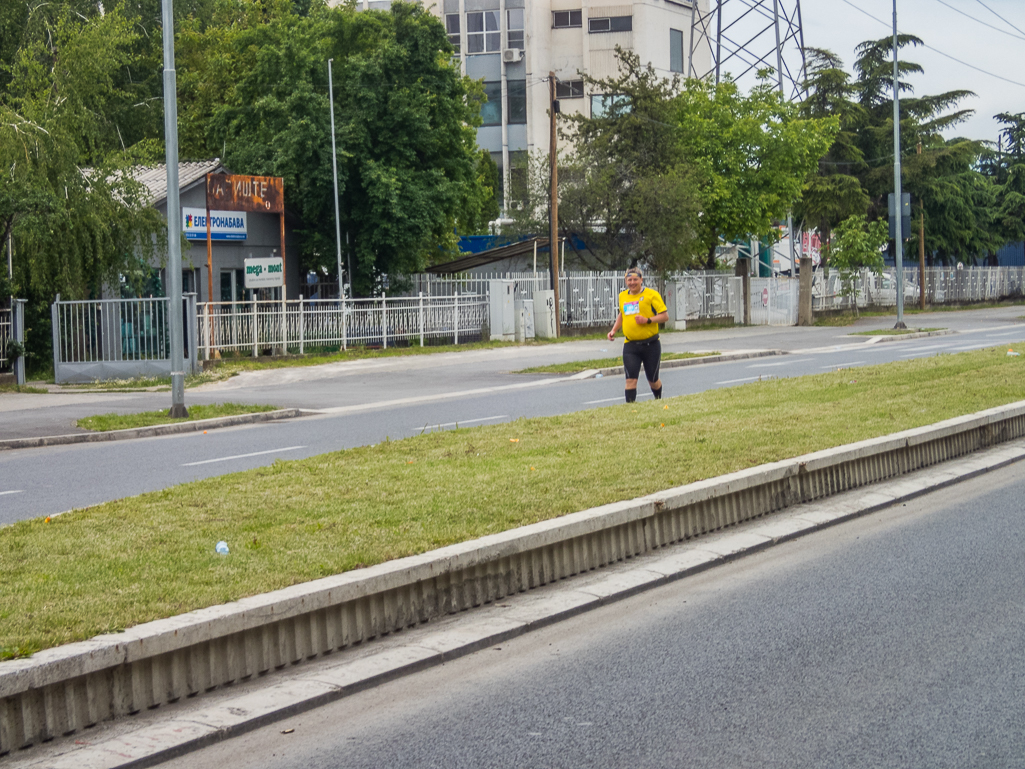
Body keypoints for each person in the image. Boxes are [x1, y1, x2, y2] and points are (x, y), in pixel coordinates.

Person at [607, 266, 669, 403]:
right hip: (631, 345)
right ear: (626, 281)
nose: (632, 283)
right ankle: (630, 410)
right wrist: (613, 330)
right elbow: (622, 314)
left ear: (641, 280)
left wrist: (647, 320)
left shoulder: (651, 295)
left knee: (652, 380)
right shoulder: (623, 296)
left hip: (651, 344)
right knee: (630, 380)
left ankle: (658, 400)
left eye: (635, 279)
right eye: (629, 280)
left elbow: (665, 316)